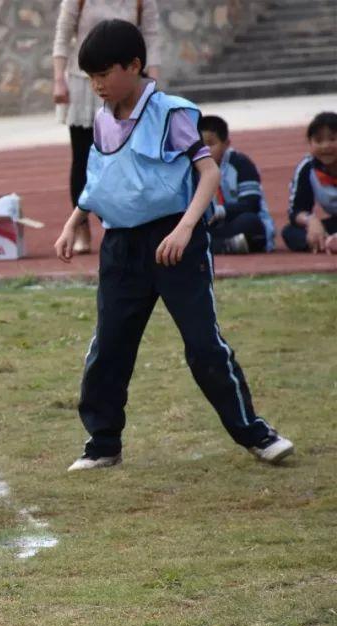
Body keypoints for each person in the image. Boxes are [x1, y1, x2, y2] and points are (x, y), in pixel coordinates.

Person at [53, 20, 293, 470]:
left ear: (135, 66)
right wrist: (73, 221)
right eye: (91, 78)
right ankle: (103, 443)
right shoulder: (102, 120)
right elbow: (99, 181)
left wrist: (184, 228)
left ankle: (255, 433)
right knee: (109, 346)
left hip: (175, 243)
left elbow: (208, 174)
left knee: (204, 344)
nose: (97, 86)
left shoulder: (173, 112)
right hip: (120, 247)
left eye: (104, 74)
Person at [53, 0, 162, 254]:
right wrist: (59, 80)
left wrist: (153, 82)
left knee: (130, 156)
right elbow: (62, 36)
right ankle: (81, 228)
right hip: (84, 84)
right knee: (83, 158)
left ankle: (130, 224)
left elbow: (152, 38)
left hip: (125, 84)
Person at [197, 115, 276, 254]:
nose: (205, 150)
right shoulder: (193, 168)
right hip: (214, 226)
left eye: (210, 144)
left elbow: (251, 204)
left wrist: (219, 211)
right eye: (200, 144)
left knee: (250, 222)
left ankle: (212, 246)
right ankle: (225, 245)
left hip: (239, 222)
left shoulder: (241, 163)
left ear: (226, 144)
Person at [281, 111, 337, 254]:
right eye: (318, 141)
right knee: (290, 232)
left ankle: (326, 242)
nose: (325, 146)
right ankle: (327, 241)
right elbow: (297, 211)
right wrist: (311, 221)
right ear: (310, 143)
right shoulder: (307, 168)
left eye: (332, 139)